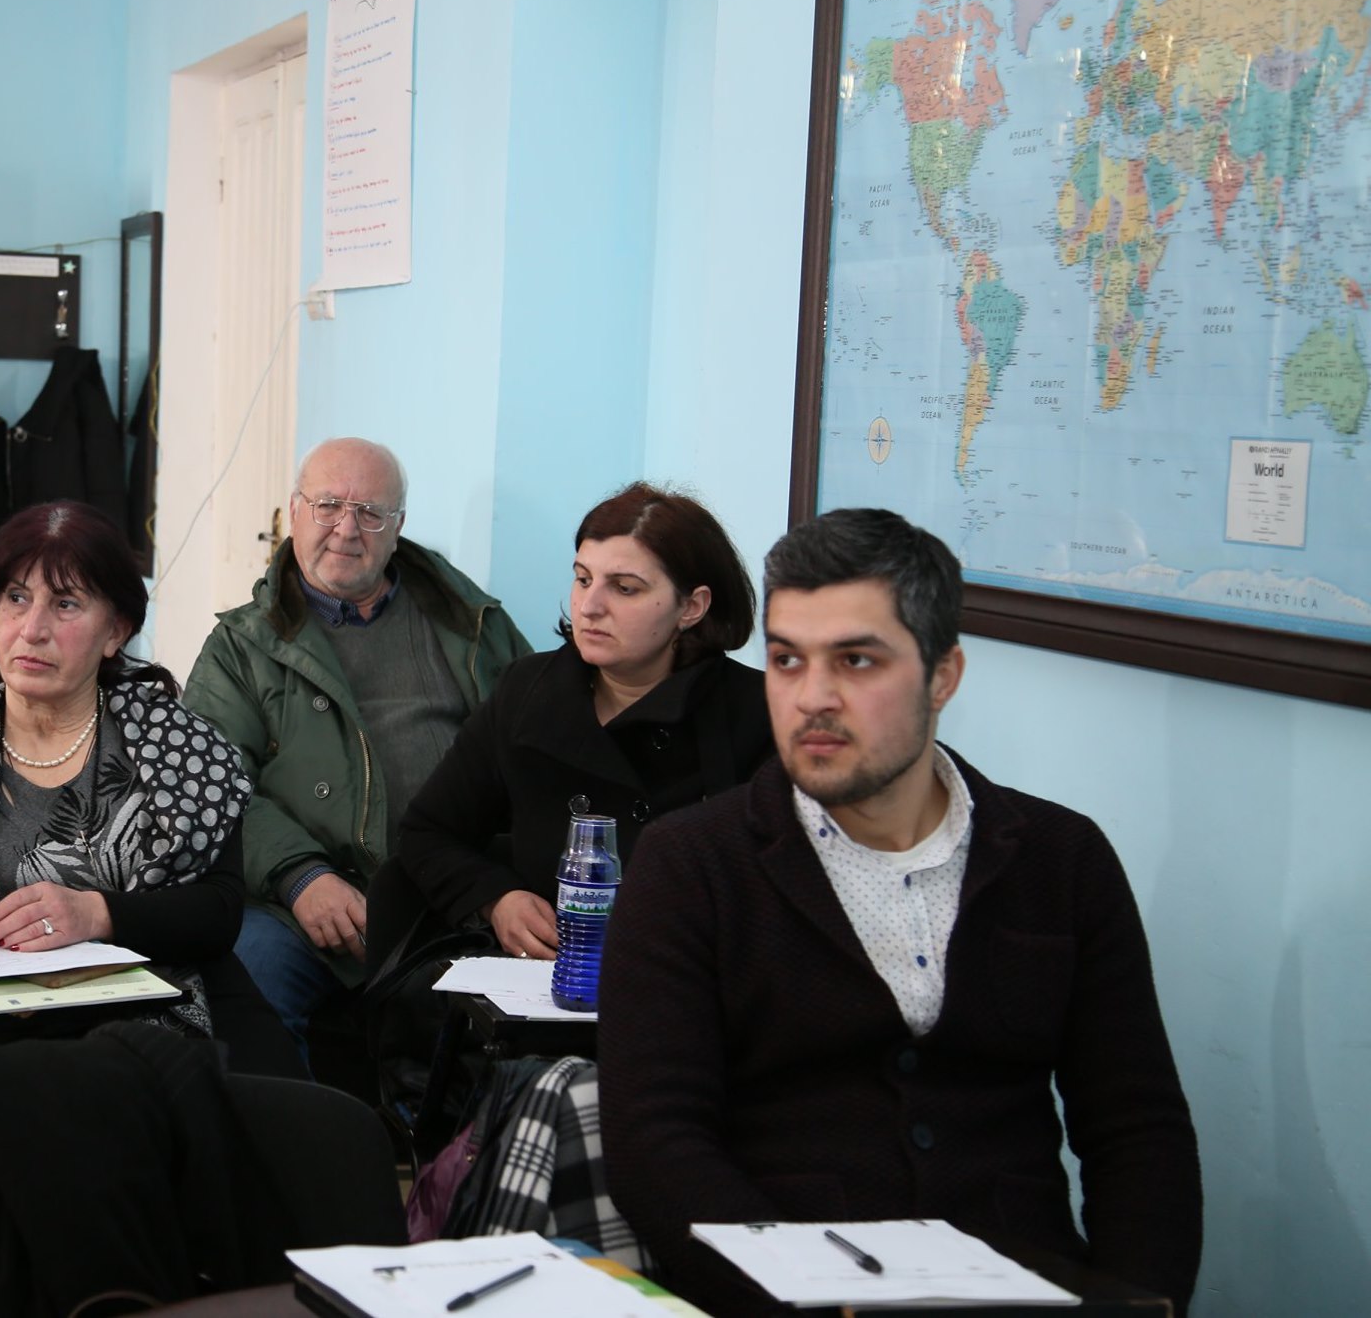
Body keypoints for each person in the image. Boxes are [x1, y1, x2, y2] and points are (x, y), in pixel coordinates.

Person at [599, 508, 1201, 1314]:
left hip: (1025, 1284)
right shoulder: (692, 864)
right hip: (782, 1292)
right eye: (786, 659)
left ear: (943, 675)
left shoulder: (1062, 860)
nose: (813, 697)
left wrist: (1135, 1302)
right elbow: (657, 1149)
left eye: (856, 660)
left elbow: (1138, 1132)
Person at [0, 500, 299, 1071]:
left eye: (65, 604)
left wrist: (96, 914)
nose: (32, 630)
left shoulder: (179, 746)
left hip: (163, 1018)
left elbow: (218, 913)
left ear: (116, 631)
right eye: (16, 599)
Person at [183, 437, 530, 1054]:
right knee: (247, 984)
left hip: (451, 897)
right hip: (298, 904)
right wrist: (300, 876)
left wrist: (493, 888)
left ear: (398, 527)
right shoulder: (240, 646)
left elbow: (533, 754)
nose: (346, 528)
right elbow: (212, 786)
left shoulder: (473, 624)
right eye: (328, 505)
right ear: (295, 512)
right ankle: (301, 1124)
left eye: (370, 512)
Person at [393, 482, 772, 959]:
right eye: (583, 579)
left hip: (691, 976)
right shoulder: (527, 691)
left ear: (691, 607)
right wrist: (496, 900)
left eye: (625, 588)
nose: (590, 607)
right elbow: (427, 832)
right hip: (539, 978)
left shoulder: (758, 712)